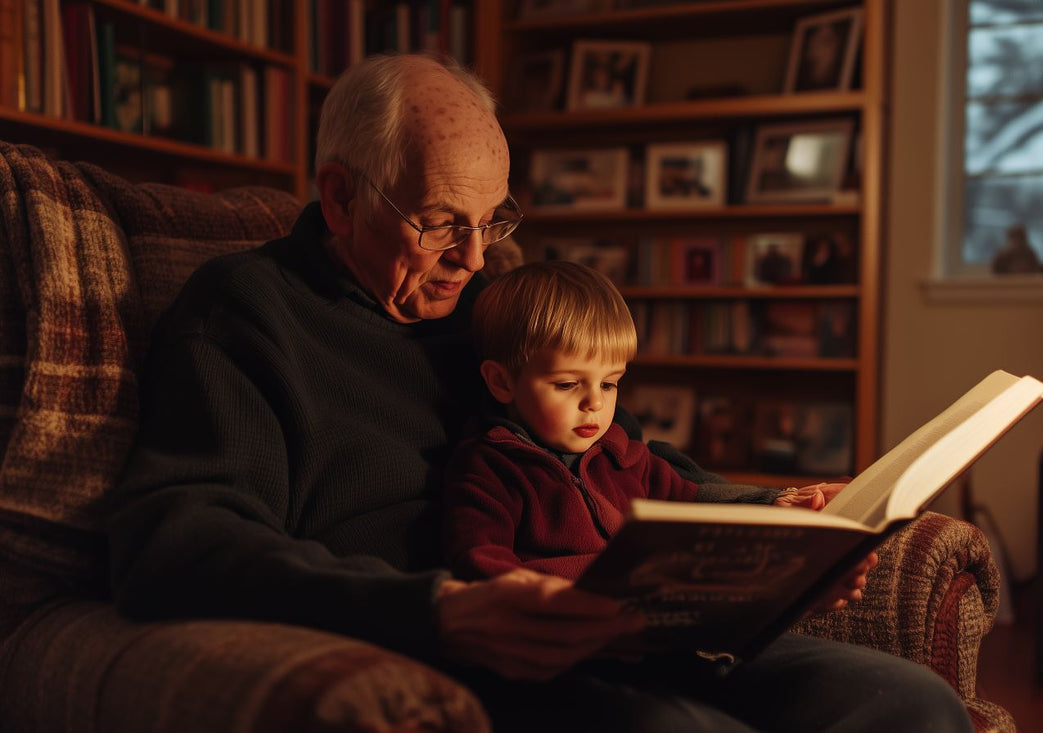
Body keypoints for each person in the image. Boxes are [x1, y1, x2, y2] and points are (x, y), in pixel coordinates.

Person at [107, 53, 974, 732]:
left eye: (495, 220)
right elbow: (175, 536)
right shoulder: (245, 314)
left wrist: (780, 520)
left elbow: (627, 459)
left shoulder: (492, 308)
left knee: (904, 704)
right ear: (340, 196)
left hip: (624, 633)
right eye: (442, 221)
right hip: (461, 650)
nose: (477, 257)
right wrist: (439, 609)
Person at [444, 260, 819, 581]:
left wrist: (772, 506)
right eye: (567, 384)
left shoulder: (625, 457)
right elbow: (480, 559)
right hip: (565, 629)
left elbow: (696, 502)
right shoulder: (490, 469)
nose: (594, 402)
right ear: (501, 381)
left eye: (609, 383)